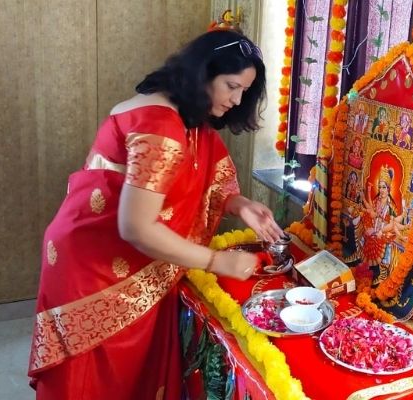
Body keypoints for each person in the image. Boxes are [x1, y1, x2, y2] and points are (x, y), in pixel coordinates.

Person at [27, 30, 283, 400]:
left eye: (244, 91)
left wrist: (239, 204)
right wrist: (215, 261)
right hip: (99, 269)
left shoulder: (179, 111)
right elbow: (136, 227)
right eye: (231, 86)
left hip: (122, 259)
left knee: (134, 377)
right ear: (203, 72)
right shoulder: (161, 126)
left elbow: (200, 170)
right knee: (99, 382)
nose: (236, 100)